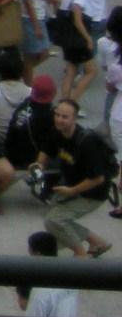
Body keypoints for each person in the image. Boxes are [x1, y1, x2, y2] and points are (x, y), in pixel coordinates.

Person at [37, 97, 116, 258]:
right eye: (57, 115)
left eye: (65, 117)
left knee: (54, 220)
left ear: (75, 118)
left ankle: (80, 254)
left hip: (93, 192)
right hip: (72, 185)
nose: (59, 120)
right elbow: (46, 150)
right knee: (56, 217)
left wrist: (72, 191)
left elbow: (98, 179)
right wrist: (38, 166)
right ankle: (97, 242)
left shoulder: (88, 143)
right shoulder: (58, 132)